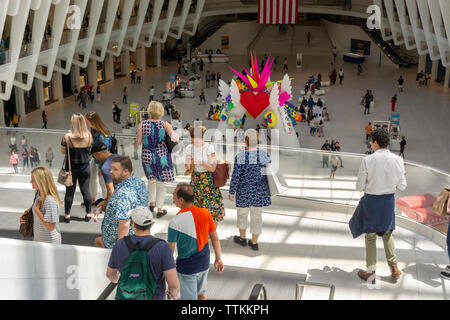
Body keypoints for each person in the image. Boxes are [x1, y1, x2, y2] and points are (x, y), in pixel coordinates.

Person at [353, 129, 406, 284]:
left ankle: (371, 273)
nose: (370, 144)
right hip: (388, 202)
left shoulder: (367, 160)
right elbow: (402, 185)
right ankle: (394, 269)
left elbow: (359, 186)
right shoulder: (398, 160)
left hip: (371, 202)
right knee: (388, 233)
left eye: (371, 141)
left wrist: (372, 183)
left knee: (370, 236)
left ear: (375, 142)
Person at [106, 206, 180, 300]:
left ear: (133, 223)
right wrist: (173, 295)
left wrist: (123, 280)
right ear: (151, 224)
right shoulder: (162, 247)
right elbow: (173, 284)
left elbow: (110, 274)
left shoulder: (120, 244)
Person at [168, 183, 224, 300]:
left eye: (174, 195)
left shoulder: (175, 222)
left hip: (187, 267)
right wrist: (218, 258)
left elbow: (170, 251)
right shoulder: (205, 213)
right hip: (204, 262)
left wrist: (169, 273)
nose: (172, 197)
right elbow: (215, 238)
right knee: (201, 293)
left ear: (181, 200)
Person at [229, 130, 271, 251]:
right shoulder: (264, 155)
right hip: (259, 191)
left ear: (245, 141)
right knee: (257, 217)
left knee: (242, 215)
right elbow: (268, 174)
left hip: (244, 191)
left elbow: (236, 176)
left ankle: (242, 238)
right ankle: (254, 242)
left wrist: (232, 192)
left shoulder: (241, 156)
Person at [94, 156, 149, 249]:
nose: (111, 171)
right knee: (98, 241)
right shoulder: (138, 182)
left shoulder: (125, 193)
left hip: (117, 246)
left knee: (98, 242)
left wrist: (120, 250)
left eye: (115, 169)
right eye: (111, 168)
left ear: (125, 171)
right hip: (134, 240)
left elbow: (124, 223)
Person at [136, 101, 179, 219]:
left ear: (149, 111)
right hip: (162, 157)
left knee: (151, 181)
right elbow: (175, 138)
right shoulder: (165, 124)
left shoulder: (142, 124)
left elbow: (138, 143)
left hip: (147, 157)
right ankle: (160, 209)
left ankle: (151, 204)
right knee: (161, 184)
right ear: (161, 111)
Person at [185, 126, 225, 225]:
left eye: (196, 138)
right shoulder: (189, 148)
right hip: (195, 180)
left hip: (208, 181)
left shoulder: (209, 148)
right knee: (196, 207)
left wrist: (202, 162)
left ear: (202, 137)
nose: (194, 141)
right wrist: (188, 162)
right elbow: (187, 167)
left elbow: (213, 168)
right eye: (192, 138)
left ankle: (211, 231)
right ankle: (200, 231)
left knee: (211, 206)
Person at [61, 113, 93, 223]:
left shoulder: (67, 137)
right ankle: (88, 213)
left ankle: (67, 215)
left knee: (70, 192)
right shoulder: (89, 135)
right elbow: (90, 150)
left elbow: (63, 152)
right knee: (86, 190)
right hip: (85, 168)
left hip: (71, 169)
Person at [20, 167, 63, 244]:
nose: (30, 181)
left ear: (41, 181)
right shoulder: (39, 193)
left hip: (49, 243)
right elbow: (36, 204)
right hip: (40, 240)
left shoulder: (49, 200)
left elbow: (51, 226)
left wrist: (37, 211)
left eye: (33, 179)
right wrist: (27, 213)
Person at [85, 111, 112, 207]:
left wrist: (101, 167)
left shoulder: (101, 135)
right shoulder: (95, 131)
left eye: (87, 121)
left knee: (103, 181)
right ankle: (93, 198)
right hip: (95, 159)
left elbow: (104, 152)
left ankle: (106, 200)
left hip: (101, 161)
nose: (87, 123)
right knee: (92, 178)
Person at [90, 141, 120, 214]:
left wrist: (107, 207)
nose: (95, 158)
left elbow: (110, 191)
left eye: (94, 156)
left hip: (120, 199)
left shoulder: (106, 168)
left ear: (98, 154)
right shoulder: (120, 157)